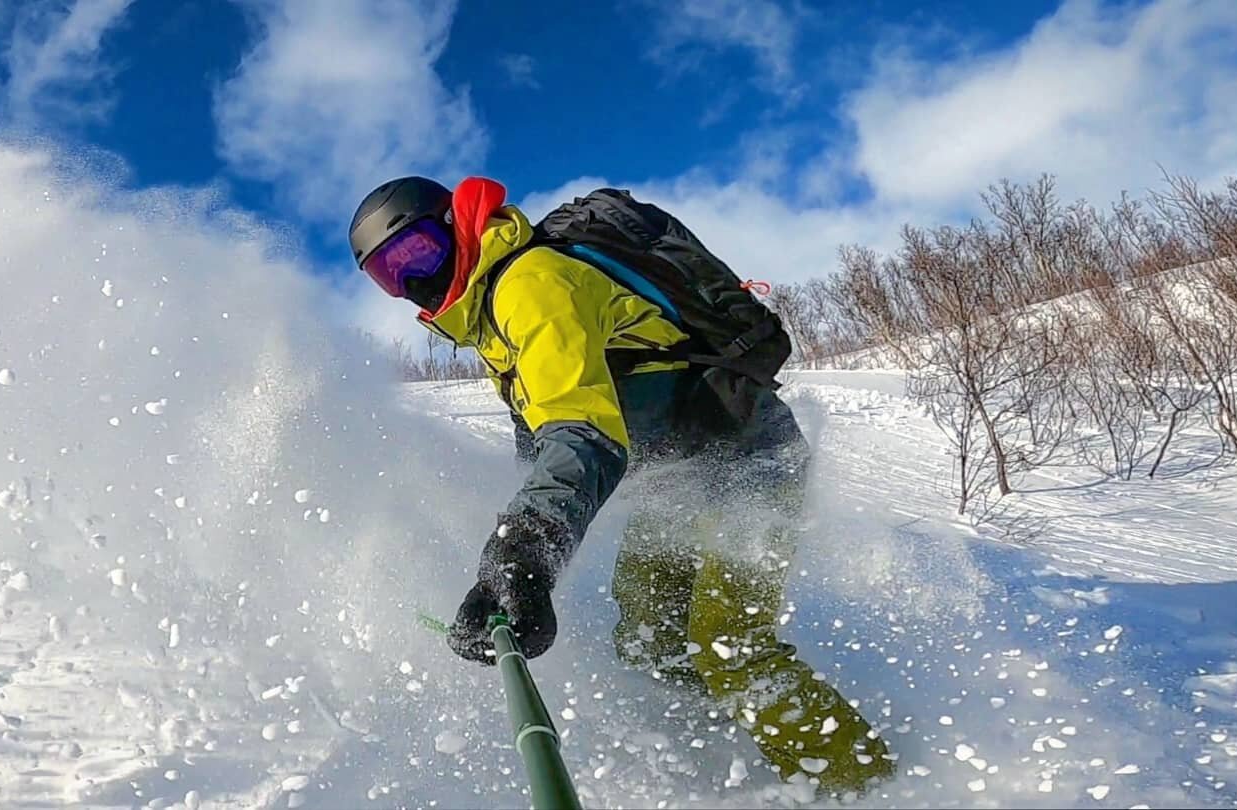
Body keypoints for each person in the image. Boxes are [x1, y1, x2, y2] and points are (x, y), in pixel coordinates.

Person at [349, 176, 894, 793]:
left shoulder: (530, 286)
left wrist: (526, 551)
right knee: (648, 634)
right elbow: (546, 450)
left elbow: (579, 435)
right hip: (679, 480)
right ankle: (727, 752)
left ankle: (863, 787)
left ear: (457, 223)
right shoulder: (496, 326)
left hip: (747, 461)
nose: (415, 279)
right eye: (391, 274)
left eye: (420, 251)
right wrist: (504, 562)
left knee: (727, 642)